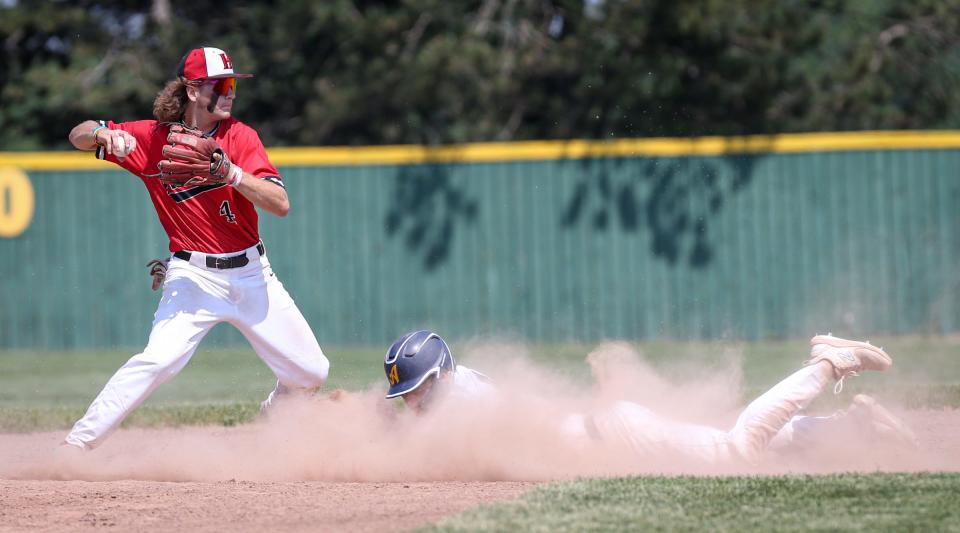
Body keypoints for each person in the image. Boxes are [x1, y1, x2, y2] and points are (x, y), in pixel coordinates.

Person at [62, 46, 329, 451]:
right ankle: (76, 446)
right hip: (192, 275)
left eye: (233, 84)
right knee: (159, 361)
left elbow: (280, 204)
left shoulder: (240, 137)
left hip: (251, 273)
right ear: (191, 90)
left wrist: (232, 173)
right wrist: (102, 134)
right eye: (219, 85)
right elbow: (77, 134)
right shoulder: (151, 140)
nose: (230, 92)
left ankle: (272, 419)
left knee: (311, 372)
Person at [382, 330, 917, 465]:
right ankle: (852, 429)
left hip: (616, 435)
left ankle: (827, 361)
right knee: (746, 443)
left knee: (739, 450)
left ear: (443, 376)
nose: (414, 401)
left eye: (420, 388)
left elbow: (430, 443)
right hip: (614, 432)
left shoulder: (462, 405)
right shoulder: (459, 392)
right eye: (407, 393)